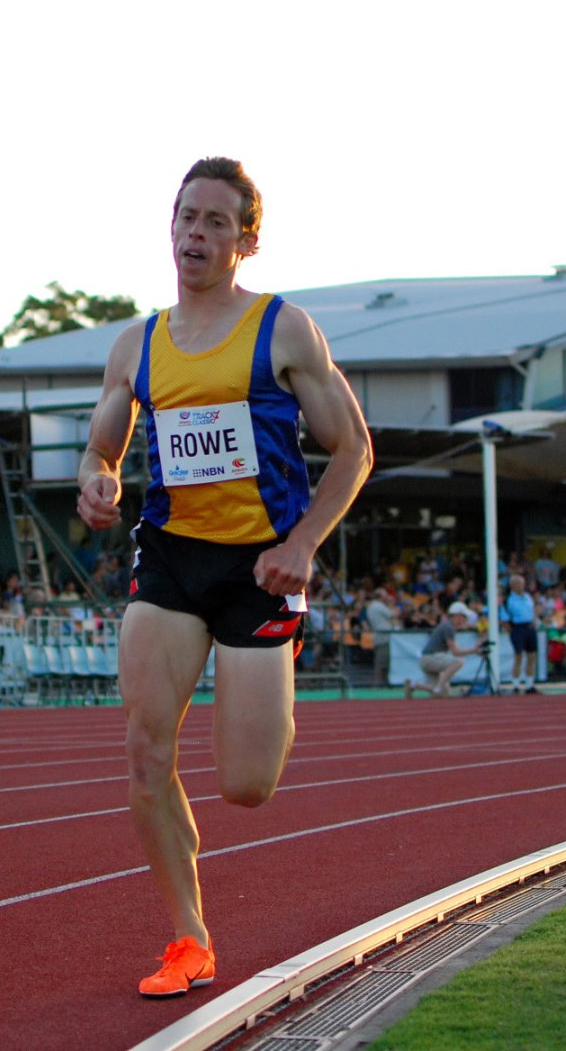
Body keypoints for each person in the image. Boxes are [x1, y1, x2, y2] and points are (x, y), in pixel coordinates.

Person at [76, 157, 372, 998]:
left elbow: (353, 449)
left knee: (245, 784)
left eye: (214, 222)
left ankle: (265, 702)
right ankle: (188, 940)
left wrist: (305, 544)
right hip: (169, 557)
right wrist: (98, 480)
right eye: (185, 217)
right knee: (144, 748)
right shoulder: (138, 343)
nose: (194, 234)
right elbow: (103, 447)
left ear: (245, 240)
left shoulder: (284, 331)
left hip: (262, 568)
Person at [405, 601, 481, 698]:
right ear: (458, 616)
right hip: (430, 658)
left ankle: (413, 685)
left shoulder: (447, 625)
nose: (465, 620)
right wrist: (474, 650)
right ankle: (438, 687)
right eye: (465, 617)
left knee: (443, 694)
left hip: (427, 659)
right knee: (459, 662)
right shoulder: (448, 627)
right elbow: (455, 652)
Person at [501, 574, 539, 694]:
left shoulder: (527, 597)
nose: (522, 586)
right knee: (518, 656)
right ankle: (515, 685)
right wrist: (511, 630)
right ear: (513, 586)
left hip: (529, 627)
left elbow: (532, 610)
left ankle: (529, 684)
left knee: (532, 656)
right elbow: (504, 618)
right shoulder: (508, 600)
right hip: (518, 628)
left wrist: (534, 620)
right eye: (519, 584)